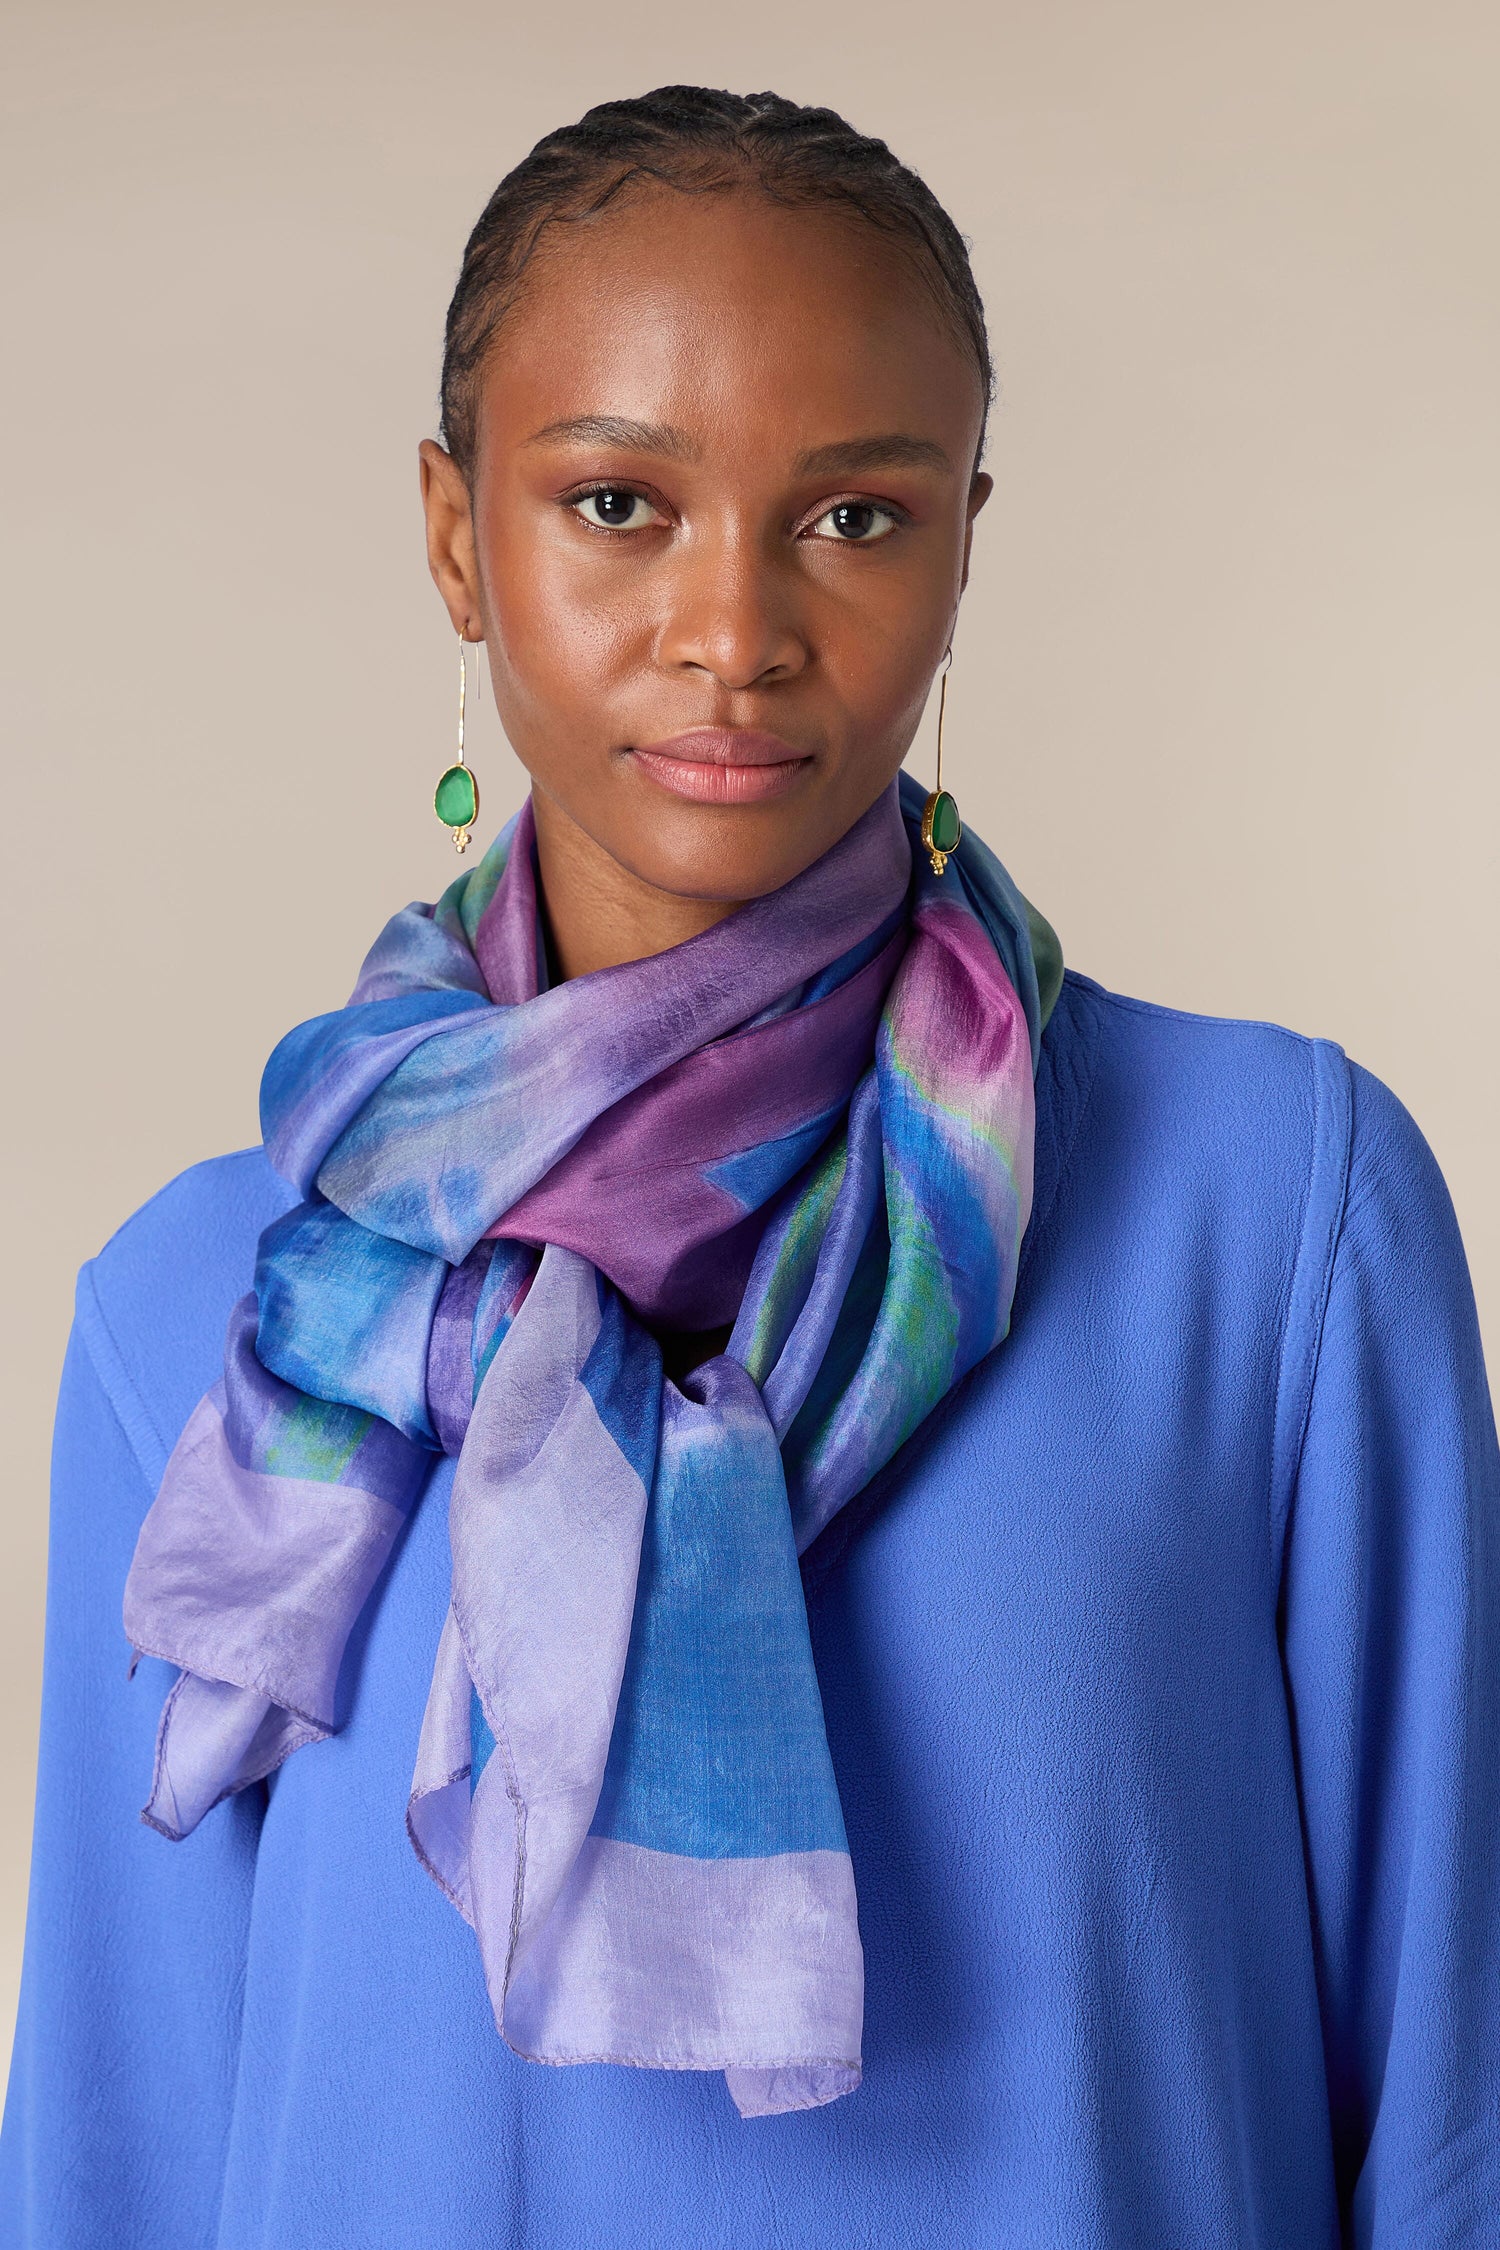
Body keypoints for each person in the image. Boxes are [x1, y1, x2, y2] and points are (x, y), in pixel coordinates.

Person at [3, 83, 1497, 2250]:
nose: (735, 629)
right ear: (453, 533)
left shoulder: (1274, 1220)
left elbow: (1456, 2110)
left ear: (966, 541)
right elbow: (118, 2156)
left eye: (855, 519)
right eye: (618, 503)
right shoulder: (204, 1316)